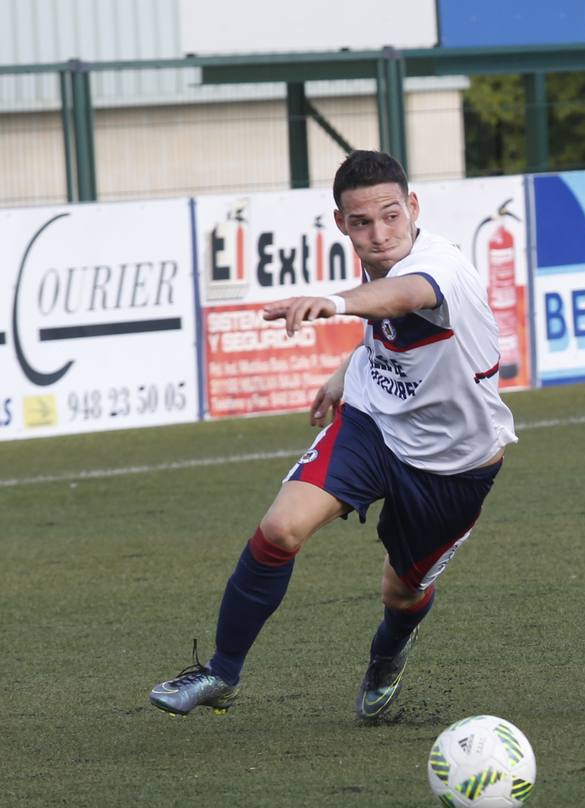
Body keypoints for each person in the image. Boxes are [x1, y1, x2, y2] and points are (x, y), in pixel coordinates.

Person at [149, 150, 517, 721]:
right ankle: (221, 672)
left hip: (454, 463)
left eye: (392, 216)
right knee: (280, 528)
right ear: (342, 223)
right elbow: (389, 328)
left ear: (413, 208)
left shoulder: (442, 265)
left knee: (402, 593)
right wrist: (345, 374)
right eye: (363, 222)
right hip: (373, 424)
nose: (379, 233)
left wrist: (338, 304)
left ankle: (388, 655)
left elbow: (406, 297)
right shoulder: (375, 263)